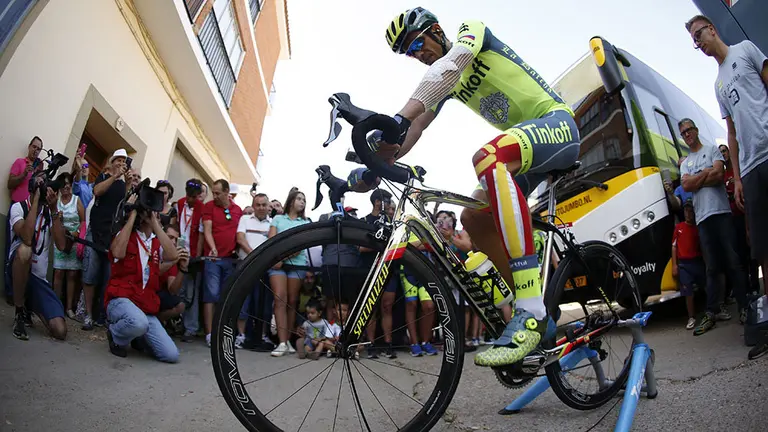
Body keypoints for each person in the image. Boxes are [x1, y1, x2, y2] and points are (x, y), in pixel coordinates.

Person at [347, 7, 577, 367]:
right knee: (472, 216)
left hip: (556, 124)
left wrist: (396, 118)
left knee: (487, 158)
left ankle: (530, 309)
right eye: (409, 52)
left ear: (437, 31)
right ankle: (535, 306)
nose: (417, 54)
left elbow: (450, 66)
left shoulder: (473, 32)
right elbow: (414, 130)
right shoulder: (444, 87)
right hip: (526, 151)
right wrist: (375, 163)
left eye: (417, 43)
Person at [687, 15, 768, 307]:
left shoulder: (745, 50)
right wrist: (739, 179)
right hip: (751, 166)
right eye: (694, 42)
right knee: (761, 247)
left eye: (699, 35)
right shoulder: (719, 84)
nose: (699, 43)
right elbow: (731, 133)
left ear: (712, 28)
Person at [679, 118, 747, 334]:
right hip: (702, 218)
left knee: (733, 261)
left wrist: (698, 179)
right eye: (684, 132)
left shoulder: (711, 150)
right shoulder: (685, 162)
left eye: (690, 129)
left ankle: (745, 307)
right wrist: (705, 174)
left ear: (696, 130)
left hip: (722, 214)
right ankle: (712, 311)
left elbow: (718, 175)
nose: (687, 134)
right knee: (712, 267)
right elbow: (686, 185)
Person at [103, 195, 181, 362]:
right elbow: (117, 253)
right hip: (121, 299)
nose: (150, 213)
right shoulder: (125, 234)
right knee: (138, 322)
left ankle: (136, 337)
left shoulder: (155, 241)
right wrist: (132, 215)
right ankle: (115, 334)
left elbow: (173, 255)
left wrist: (155, 223)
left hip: (144, 305)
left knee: (171, 355)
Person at [7, 176, 68, 340]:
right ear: (31, 190)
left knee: (60, 330)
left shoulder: (51, 213)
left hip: (38, 279)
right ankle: (19, 312)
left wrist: (54, 209)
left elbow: (62, 245)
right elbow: (27, 238)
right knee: (25, 250)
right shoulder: (18, 208)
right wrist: (35, 202)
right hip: (17, 272)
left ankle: (30, 305)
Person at [82, 149, 129, 330]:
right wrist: (114, 176)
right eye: (118, 160)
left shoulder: (123, 184)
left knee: (108, 278)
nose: (121, 163)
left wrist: (127, 181)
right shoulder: (104, 177)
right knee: (90, 274)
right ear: (111, 162)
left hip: (112, 236)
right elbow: (97, 191)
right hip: (95, 232)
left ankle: (103, 316)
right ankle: (88, 315)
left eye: (124, 161)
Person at [268, 190, 311, 357]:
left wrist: (282, 258)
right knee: (280, 298)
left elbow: (300, 245)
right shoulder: (278, 219)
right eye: (299, 199)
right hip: (277, 266)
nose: (302, 202)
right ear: (291, 201)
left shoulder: (304, 222)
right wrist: (277, 259)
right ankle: (282, 342)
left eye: (304, 200)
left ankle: (288, 341)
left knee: (292, 302)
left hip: (296, 264)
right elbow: (272, 241)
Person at [201, 179, 242, 347]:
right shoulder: (209, 206)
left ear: (227, 193)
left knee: (226, 297)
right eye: (213, 192)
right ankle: (210, 333)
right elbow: (207, 230)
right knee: (211, 295)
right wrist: (213, 247)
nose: (214, 196)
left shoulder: (238, 210)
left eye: (218, 193)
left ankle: (223, 332)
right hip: (213, 259)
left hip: (230, 260)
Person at [235, 193, 273, 349]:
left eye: (264, 204)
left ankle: (263, 335)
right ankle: (241, 335)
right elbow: (240, 239)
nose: (261, 207)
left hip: (264, 268)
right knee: (243, 301)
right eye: (258, 204)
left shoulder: (272, 223)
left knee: (264, 304)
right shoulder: (245, 219)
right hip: (245, 265)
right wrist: (253, 255)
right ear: (253, 205)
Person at [51, 173, 85, 319]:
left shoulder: (77, 200)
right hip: (59, 240)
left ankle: (69, 308)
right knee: (58, 272)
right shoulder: (55, 201)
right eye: (64, 184)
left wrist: (77, 232)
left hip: (74, 241)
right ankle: (55, 305)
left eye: (69, 184)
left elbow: (84, 221)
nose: (66, 186)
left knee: (72, 274)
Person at [175, 178, 205, 342]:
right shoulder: (179, 204)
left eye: (194, 196)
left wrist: (197, 257)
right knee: (179, 290)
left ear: (199, 195)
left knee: (191, 293)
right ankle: (178, 323)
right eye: (189, 195)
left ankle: (191, 328)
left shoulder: (202, 208)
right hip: (179, 251)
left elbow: (201, 235)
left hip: (192, 254)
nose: (190, 199)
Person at [672, 200, 704, 331]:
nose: (688, 214)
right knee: (687, 292)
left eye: (691, 211)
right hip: (684, 264)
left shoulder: (698, 228)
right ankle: (691, 317)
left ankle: (712, 310)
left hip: (697, 261)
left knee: (705, 286)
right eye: (686, 211)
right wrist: (675, 265)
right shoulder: (678, 227)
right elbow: (673, 247)